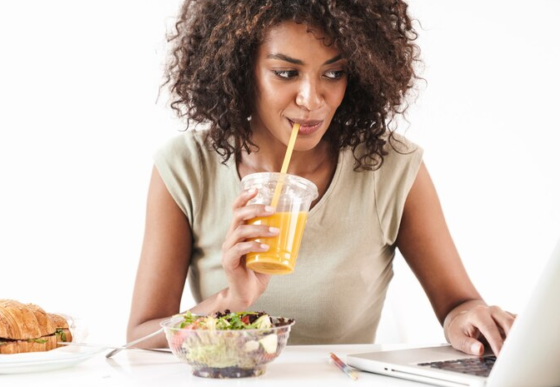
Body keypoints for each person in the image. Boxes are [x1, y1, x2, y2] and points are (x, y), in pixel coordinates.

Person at [127, 0, 515, 356]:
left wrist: (469, 319)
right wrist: (230, 300)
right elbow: (141, 337)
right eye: (285, 73)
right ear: (242, 69)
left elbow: (457, 304)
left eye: (333, 72)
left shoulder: (391, 168)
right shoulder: (185, 167)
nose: (312, 99)